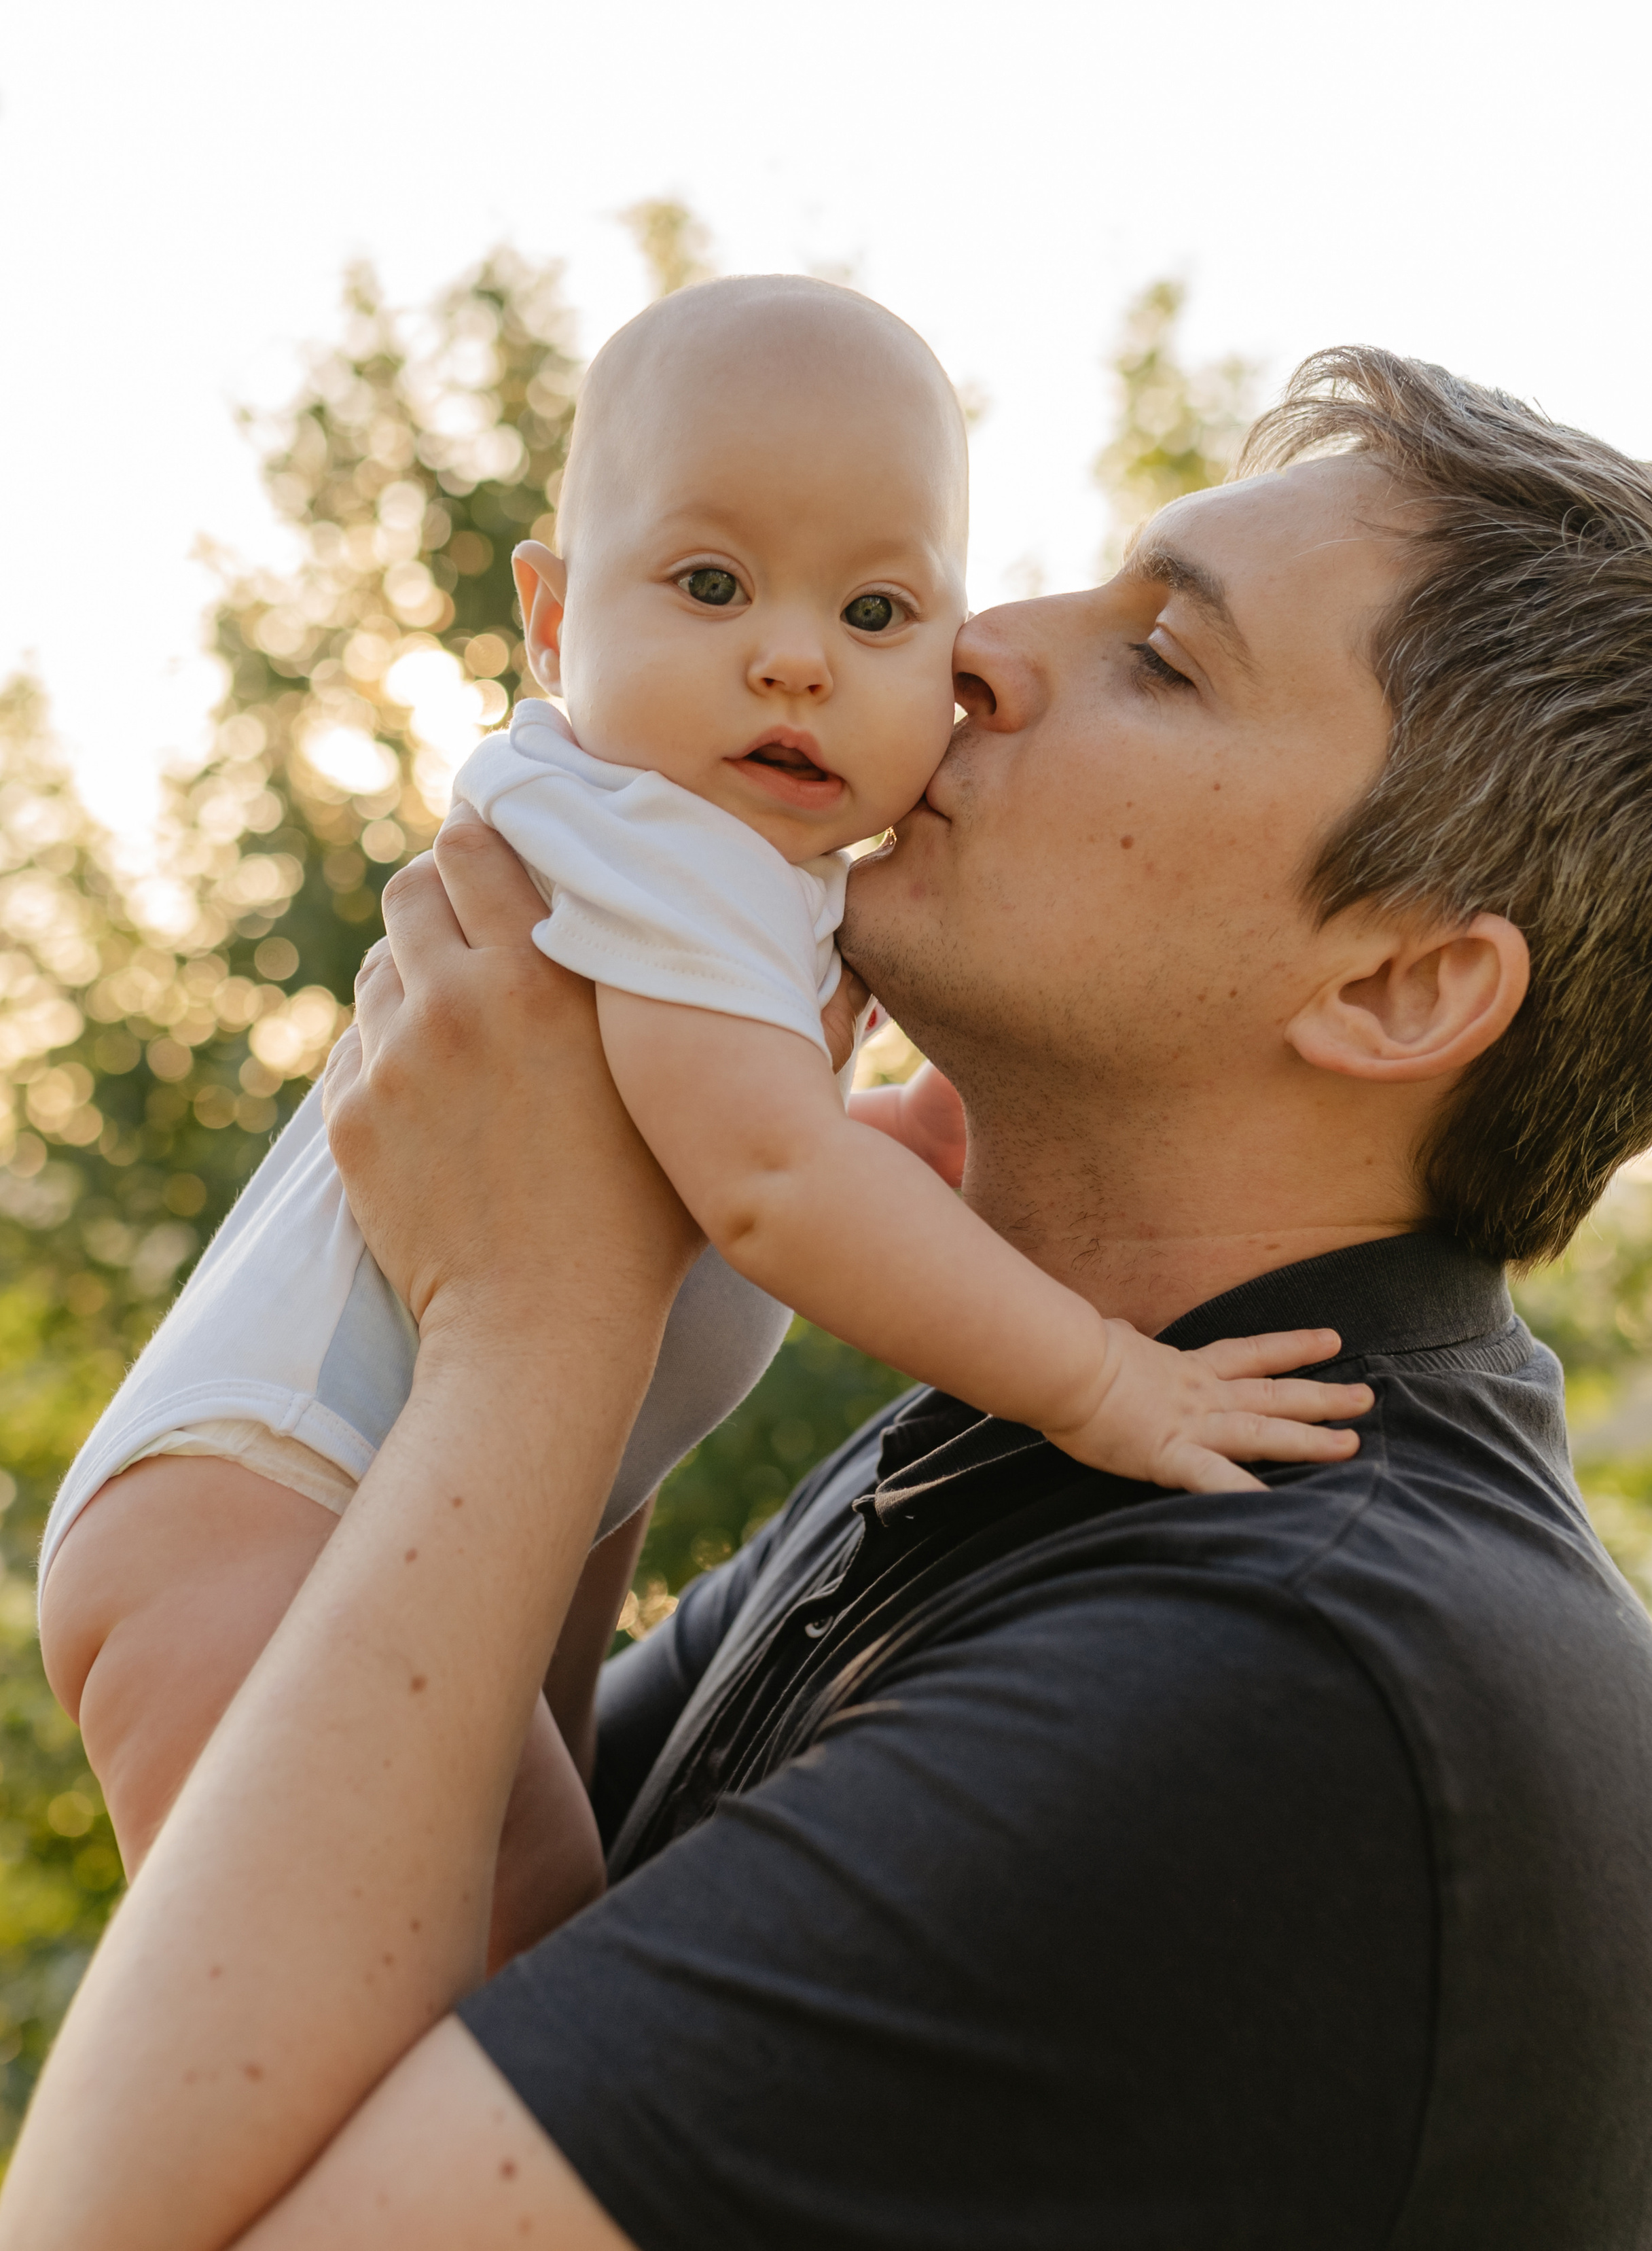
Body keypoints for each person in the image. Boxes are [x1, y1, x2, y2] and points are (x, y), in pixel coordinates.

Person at [5, 345, 1652, 2250]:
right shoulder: (1028, 1471)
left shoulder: (1276, 1691)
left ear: (1399, 989)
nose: (978, 646)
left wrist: (534, 1334)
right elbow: (454, 1940)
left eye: (1162, 656)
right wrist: (606, 1290)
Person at [37, 281, 1362, 1957]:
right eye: (711, 584)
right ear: (550, 615)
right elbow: (758, 1188)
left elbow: (698, 1159)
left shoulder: (733, 888)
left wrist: (904, 1146)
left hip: (331, 1508)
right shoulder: (656, 849)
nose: (795, 656)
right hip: (271, 1511)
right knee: (437, 1973)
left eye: (878, 612)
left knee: (490, 1947)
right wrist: (1097, 1378)